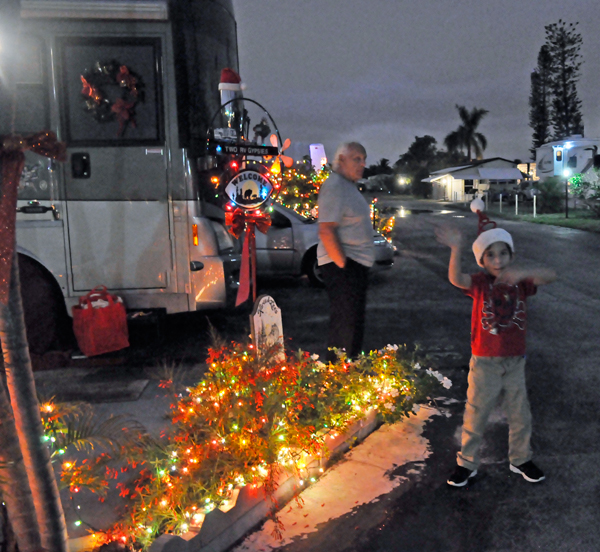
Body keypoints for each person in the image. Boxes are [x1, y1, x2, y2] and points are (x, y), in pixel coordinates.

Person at [435, 219, 556, 487]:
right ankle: (467, 463)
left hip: (515, 360)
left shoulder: (520, 283)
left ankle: (521, 458)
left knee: (520, 413)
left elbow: (551, 275)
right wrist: (456, 248)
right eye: (490, 254)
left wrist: (523, 273)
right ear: (482, 260)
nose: (498, 259)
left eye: (503, 253)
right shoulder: (479, 283)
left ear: (511, 256)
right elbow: (456, 279)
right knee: (476, 413)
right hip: (485, 361)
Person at [317, 142, 374, 362]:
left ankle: (347, 375)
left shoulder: (347, 186)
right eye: (356, 159)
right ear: (341, 160)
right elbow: (326, 230)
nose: (362, 164)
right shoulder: (335, 186)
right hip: (344, 266)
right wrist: (344, 265)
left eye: (364, 158)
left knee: (352, 324)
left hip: (354, 265)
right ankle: (338, 380)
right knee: (345, 326)